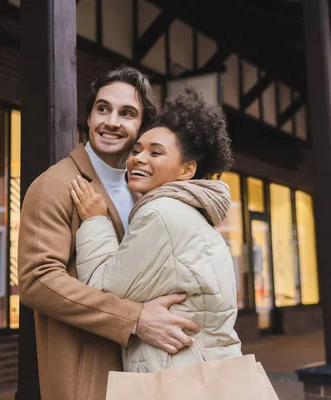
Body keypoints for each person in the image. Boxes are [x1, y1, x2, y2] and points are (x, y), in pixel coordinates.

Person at [18, 66, 200, 400]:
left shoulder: (142, 190)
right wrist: (135, 319)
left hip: (145, 371)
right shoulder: (55, 185)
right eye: (103, 109)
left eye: (126, 113)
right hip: (88, 377)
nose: (111, 121)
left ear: (141, 127)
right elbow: (37, 280)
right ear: (88, 117)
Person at [70, 88, 242, 373]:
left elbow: (103, 290)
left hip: (175, 374)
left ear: (186, 170)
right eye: (136, 150)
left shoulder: (161, 213)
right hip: (205, 370)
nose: (138, 158)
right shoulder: (195, 213)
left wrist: (95, 221)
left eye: (155, 152)